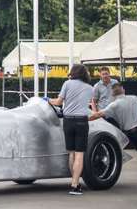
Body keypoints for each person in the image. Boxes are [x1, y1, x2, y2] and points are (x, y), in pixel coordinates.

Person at [46, 64, 93, 195]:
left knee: (71, 153)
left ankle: (75, 182)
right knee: (80, 154)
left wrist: (47, 99)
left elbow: (58, 102)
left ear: (73, 72)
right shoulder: (90, 88)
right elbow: (88, 104)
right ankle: (74, 185)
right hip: (82, 121)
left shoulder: (67, 84)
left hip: (68, 121)